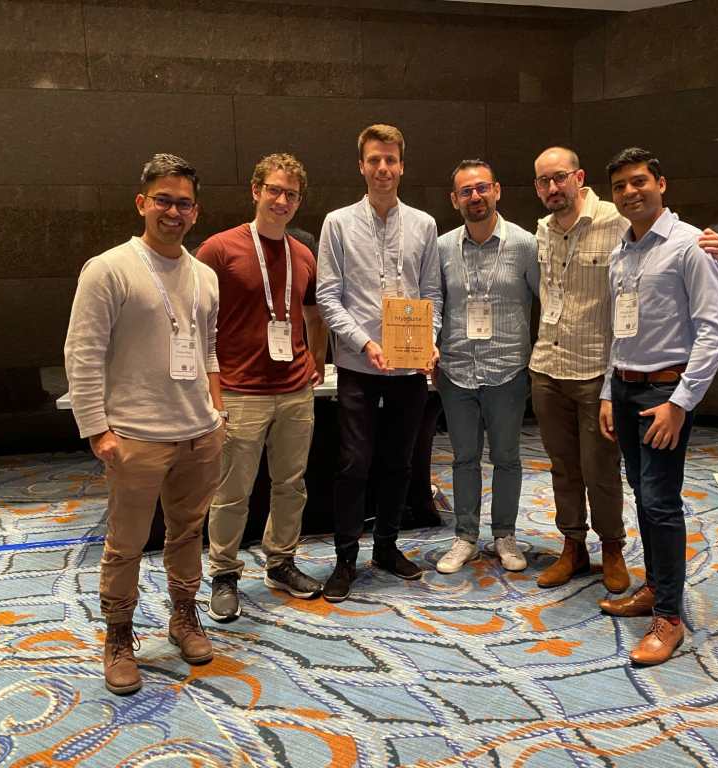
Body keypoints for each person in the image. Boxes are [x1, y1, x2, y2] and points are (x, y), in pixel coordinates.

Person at [528, 147, 718, 593]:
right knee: (563, 468)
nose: (553, 187)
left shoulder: (617, 221)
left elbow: (675, 248)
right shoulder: (543, 231)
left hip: (599, 369)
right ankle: (573, 546)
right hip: (553, 367)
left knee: (605, 472)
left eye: (560, 177)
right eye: (543, 181)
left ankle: (613, 549)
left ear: (579, 178)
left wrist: (716, 250)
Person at [64, 153, 224, 695]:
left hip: (199, 433)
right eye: (163, 200)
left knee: (189, 533)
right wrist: (97, 430)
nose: (173, 212)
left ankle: (184, 616)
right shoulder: (108, 269)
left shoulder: (204, 276)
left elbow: (209, 350)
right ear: (142, 203)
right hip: (135, 436)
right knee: (125, 544)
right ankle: (118, 636)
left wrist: (217, 414)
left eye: (184, 203)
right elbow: (83, 353)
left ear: (196, 211)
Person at [598, 147, 718, 666]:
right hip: (626, 388)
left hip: (665, 394)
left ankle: (669, 618)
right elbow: (619, 330)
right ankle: (654, 588)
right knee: (642, 493)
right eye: (620, 186)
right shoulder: (621, 252)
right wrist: (608, 391)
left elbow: (714, 332)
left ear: (661, 183)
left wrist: (680, 403)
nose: (630, 192)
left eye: (639, 182)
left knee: (660, 502)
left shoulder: (691, 246)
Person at [197, 153, 329, 621]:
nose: (282, 200)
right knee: (233, 491)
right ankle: (224, 573)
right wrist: (210, 389)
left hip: (294, 390)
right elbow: (197, 320)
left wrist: (316, 357)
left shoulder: (303, 254)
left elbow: (314, 312)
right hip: (240, 390)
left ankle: (280, 562)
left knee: (291, 485)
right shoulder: (219, 250)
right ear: (256, 191)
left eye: (291, 194)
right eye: (274, 190)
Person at [316, 124, 441, 602]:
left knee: (399, 462)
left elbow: (432, 295)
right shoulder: (337, 223)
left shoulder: (424, 224)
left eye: (390, 159)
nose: (383, 168)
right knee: (353, 464)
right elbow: (328, 297)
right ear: (361, 166)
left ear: (402, 166)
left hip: (409, 369)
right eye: (374, 160)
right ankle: (345, 558)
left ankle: (387, 547)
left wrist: (430, 341)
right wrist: (364, 342)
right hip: (358, 365)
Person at [434, 159, 539, 575]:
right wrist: (428, 345)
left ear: (496, 191)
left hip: (507, 369)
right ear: (454, 199)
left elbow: (548, 300)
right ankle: (465, 536)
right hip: (456, 370)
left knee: (507, 458)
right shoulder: (442, 247)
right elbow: (434, 303)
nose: (475, 196)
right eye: (466, 191)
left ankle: (504, 535)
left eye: (481, 188)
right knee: (463, 458)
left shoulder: (526, 244)